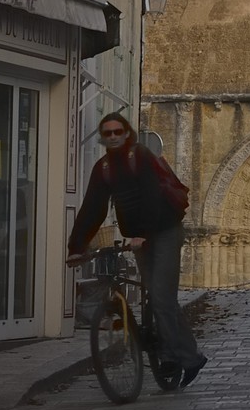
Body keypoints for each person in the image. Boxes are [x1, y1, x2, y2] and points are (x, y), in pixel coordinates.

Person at [67, 112, 207, 388]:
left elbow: (153, 196)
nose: (114, 137)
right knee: (156, 294)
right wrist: (77, 246)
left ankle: (179, 356)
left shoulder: (139, 156)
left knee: (160, 296)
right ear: (103, 137)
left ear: (127, 132)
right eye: (108, 133)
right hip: (139, 237)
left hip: (164, 230)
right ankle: (177, 352)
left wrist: (144, 234)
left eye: (118, 131)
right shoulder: (104, 168)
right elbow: (92, 208)